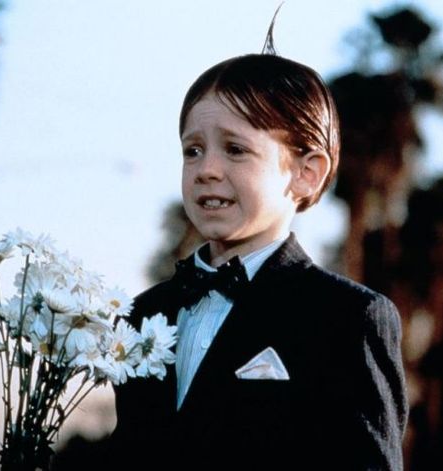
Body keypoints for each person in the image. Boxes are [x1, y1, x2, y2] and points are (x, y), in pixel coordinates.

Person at [112, 52, 407, 470]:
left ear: (306, 173)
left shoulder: (347, 319)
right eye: (192, 150)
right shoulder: (144, 314)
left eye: (235, 150)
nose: (207, 169)